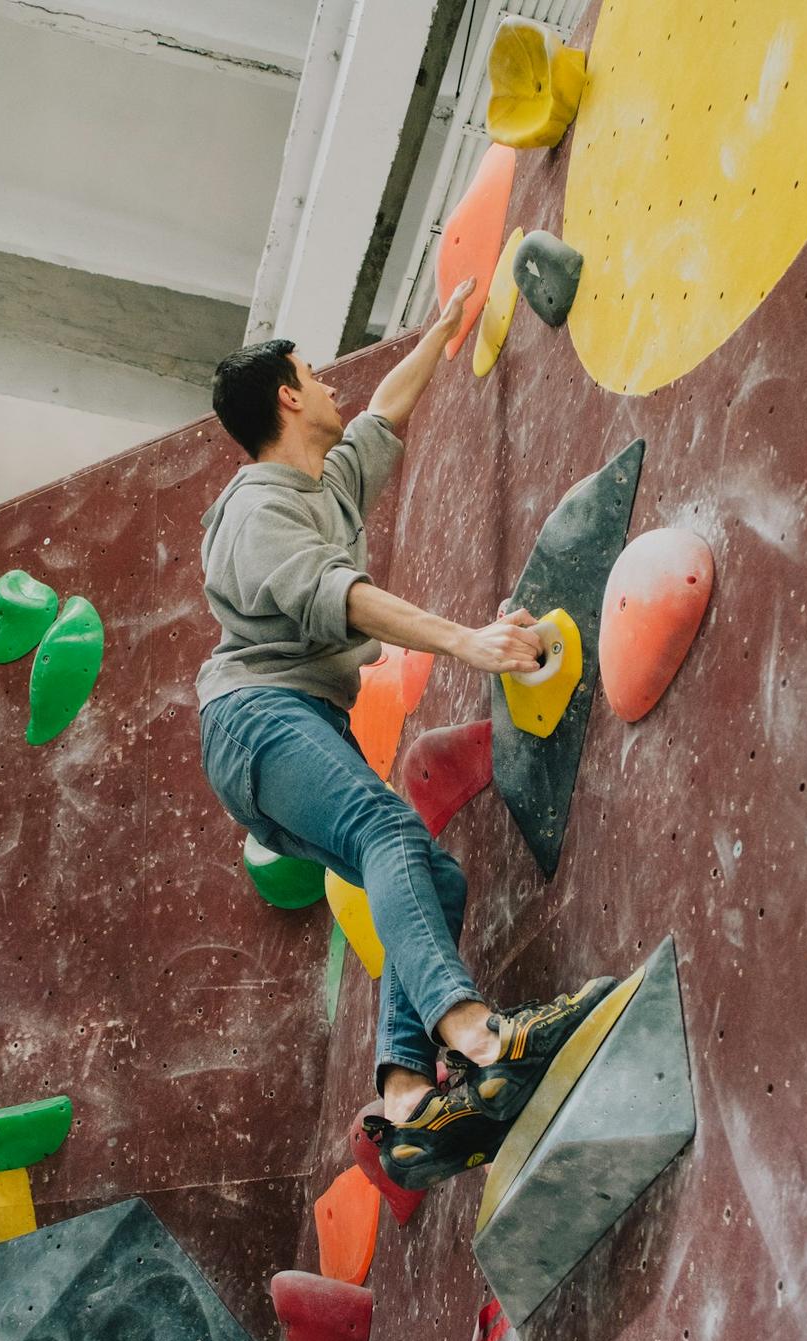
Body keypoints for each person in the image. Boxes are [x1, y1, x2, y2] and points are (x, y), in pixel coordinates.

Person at [197, 279, 615, 1189]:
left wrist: (441, 330)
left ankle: (404, 1096)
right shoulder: (254, 511)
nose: (334, 385)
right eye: (315, 373)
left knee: (436, 872)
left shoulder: (321, 485)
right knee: (389, 831)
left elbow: (382, 415)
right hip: (256, 719)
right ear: (288, 396)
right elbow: (339, 596)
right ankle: (477, 1032)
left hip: (291, 727)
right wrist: (469, 641)